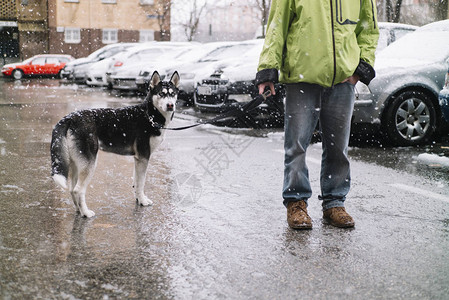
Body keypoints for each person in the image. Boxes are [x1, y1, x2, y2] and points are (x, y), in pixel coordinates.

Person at [256, 0, 379, 229]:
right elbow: (277, 26)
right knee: (297, 146)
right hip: (302, 76)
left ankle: (334, 203)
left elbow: (368, 29)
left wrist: (361, 67)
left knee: (337, 147)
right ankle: (296, 203)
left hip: (343, 80)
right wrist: (267, 69)